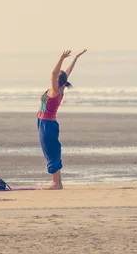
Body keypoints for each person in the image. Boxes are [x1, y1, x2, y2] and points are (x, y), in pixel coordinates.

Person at [37, 49, 87, 190]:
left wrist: (61, 58)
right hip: (44, 122)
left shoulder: (55, 90)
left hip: (47, 124)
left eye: (56, 78)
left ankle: (56, 183)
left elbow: (54, 73)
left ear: (58, 80)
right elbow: (66, 73)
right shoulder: (60, 87)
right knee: (51, 150)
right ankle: (57, 182)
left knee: (50, 151)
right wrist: (74, 59)